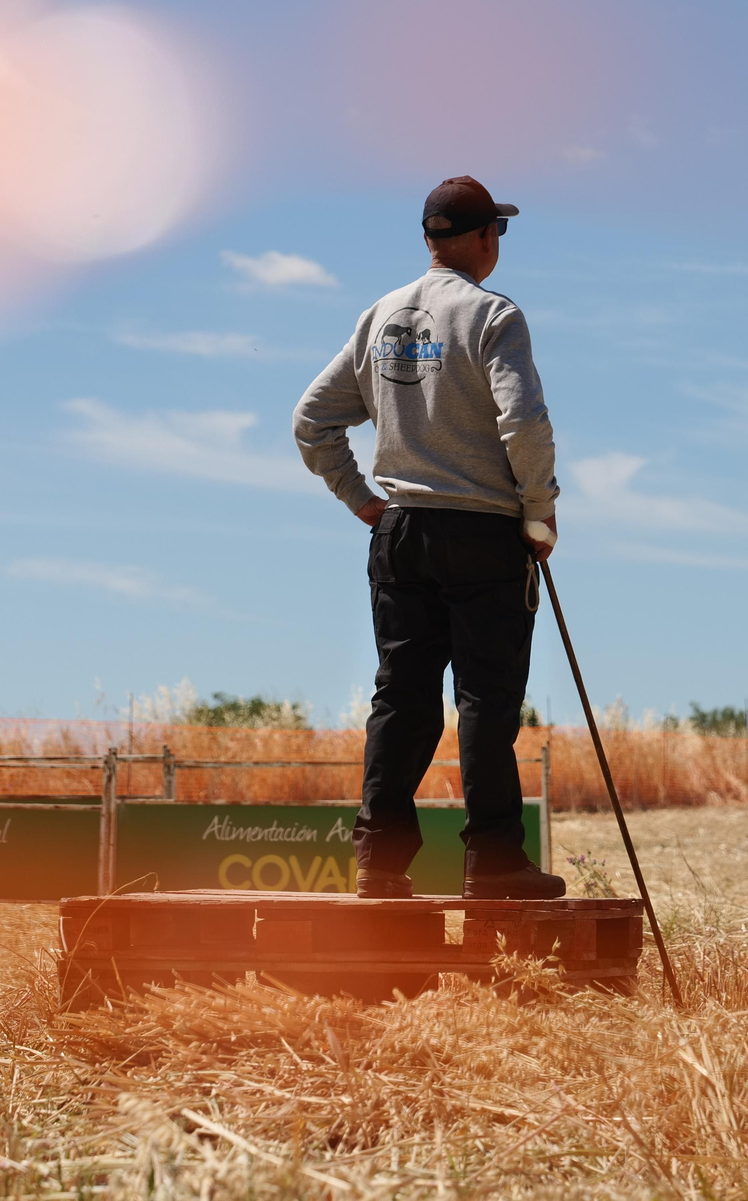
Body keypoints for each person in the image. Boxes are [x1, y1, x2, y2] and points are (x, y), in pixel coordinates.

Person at [293, 176, 566, 900]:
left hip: (401, 532)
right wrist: (538, 511)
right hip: (483, 532)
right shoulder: (494, 315)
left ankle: (379, 863)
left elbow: (311, 419)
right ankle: (494, 863)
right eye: (496, 230)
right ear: (483, 238)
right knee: (485, 699)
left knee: (401, 697)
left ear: (428, 239)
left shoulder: (379, 316)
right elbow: (524, 421)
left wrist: (362, 500)